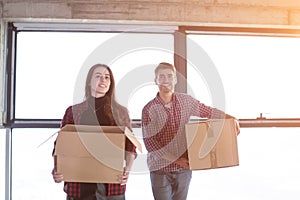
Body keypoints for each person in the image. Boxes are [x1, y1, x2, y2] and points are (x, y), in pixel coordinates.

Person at [141, 62, 240, 200]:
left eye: (170, 76)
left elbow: (208, 111)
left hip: (184, 170)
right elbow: (151, 145)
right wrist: (177, 160)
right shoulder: (148, 109)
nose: (166, 80)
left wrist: (231, 118)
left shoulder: (186, 101)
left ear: (175, 79)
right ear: (155, 80)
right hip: (160, 170)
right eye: (161, 76)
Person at [52, 63, 137, 200]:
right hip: (79, 184)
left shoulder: (120, 112)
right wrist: (57, 169)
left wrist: (128, 169)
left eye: (107, 77)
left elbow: (130, 145)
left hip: (111, 184)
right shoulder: (73, 111)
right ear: (89, 82)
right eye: (98, 76)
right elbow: (60, 146)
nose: (103, 80)